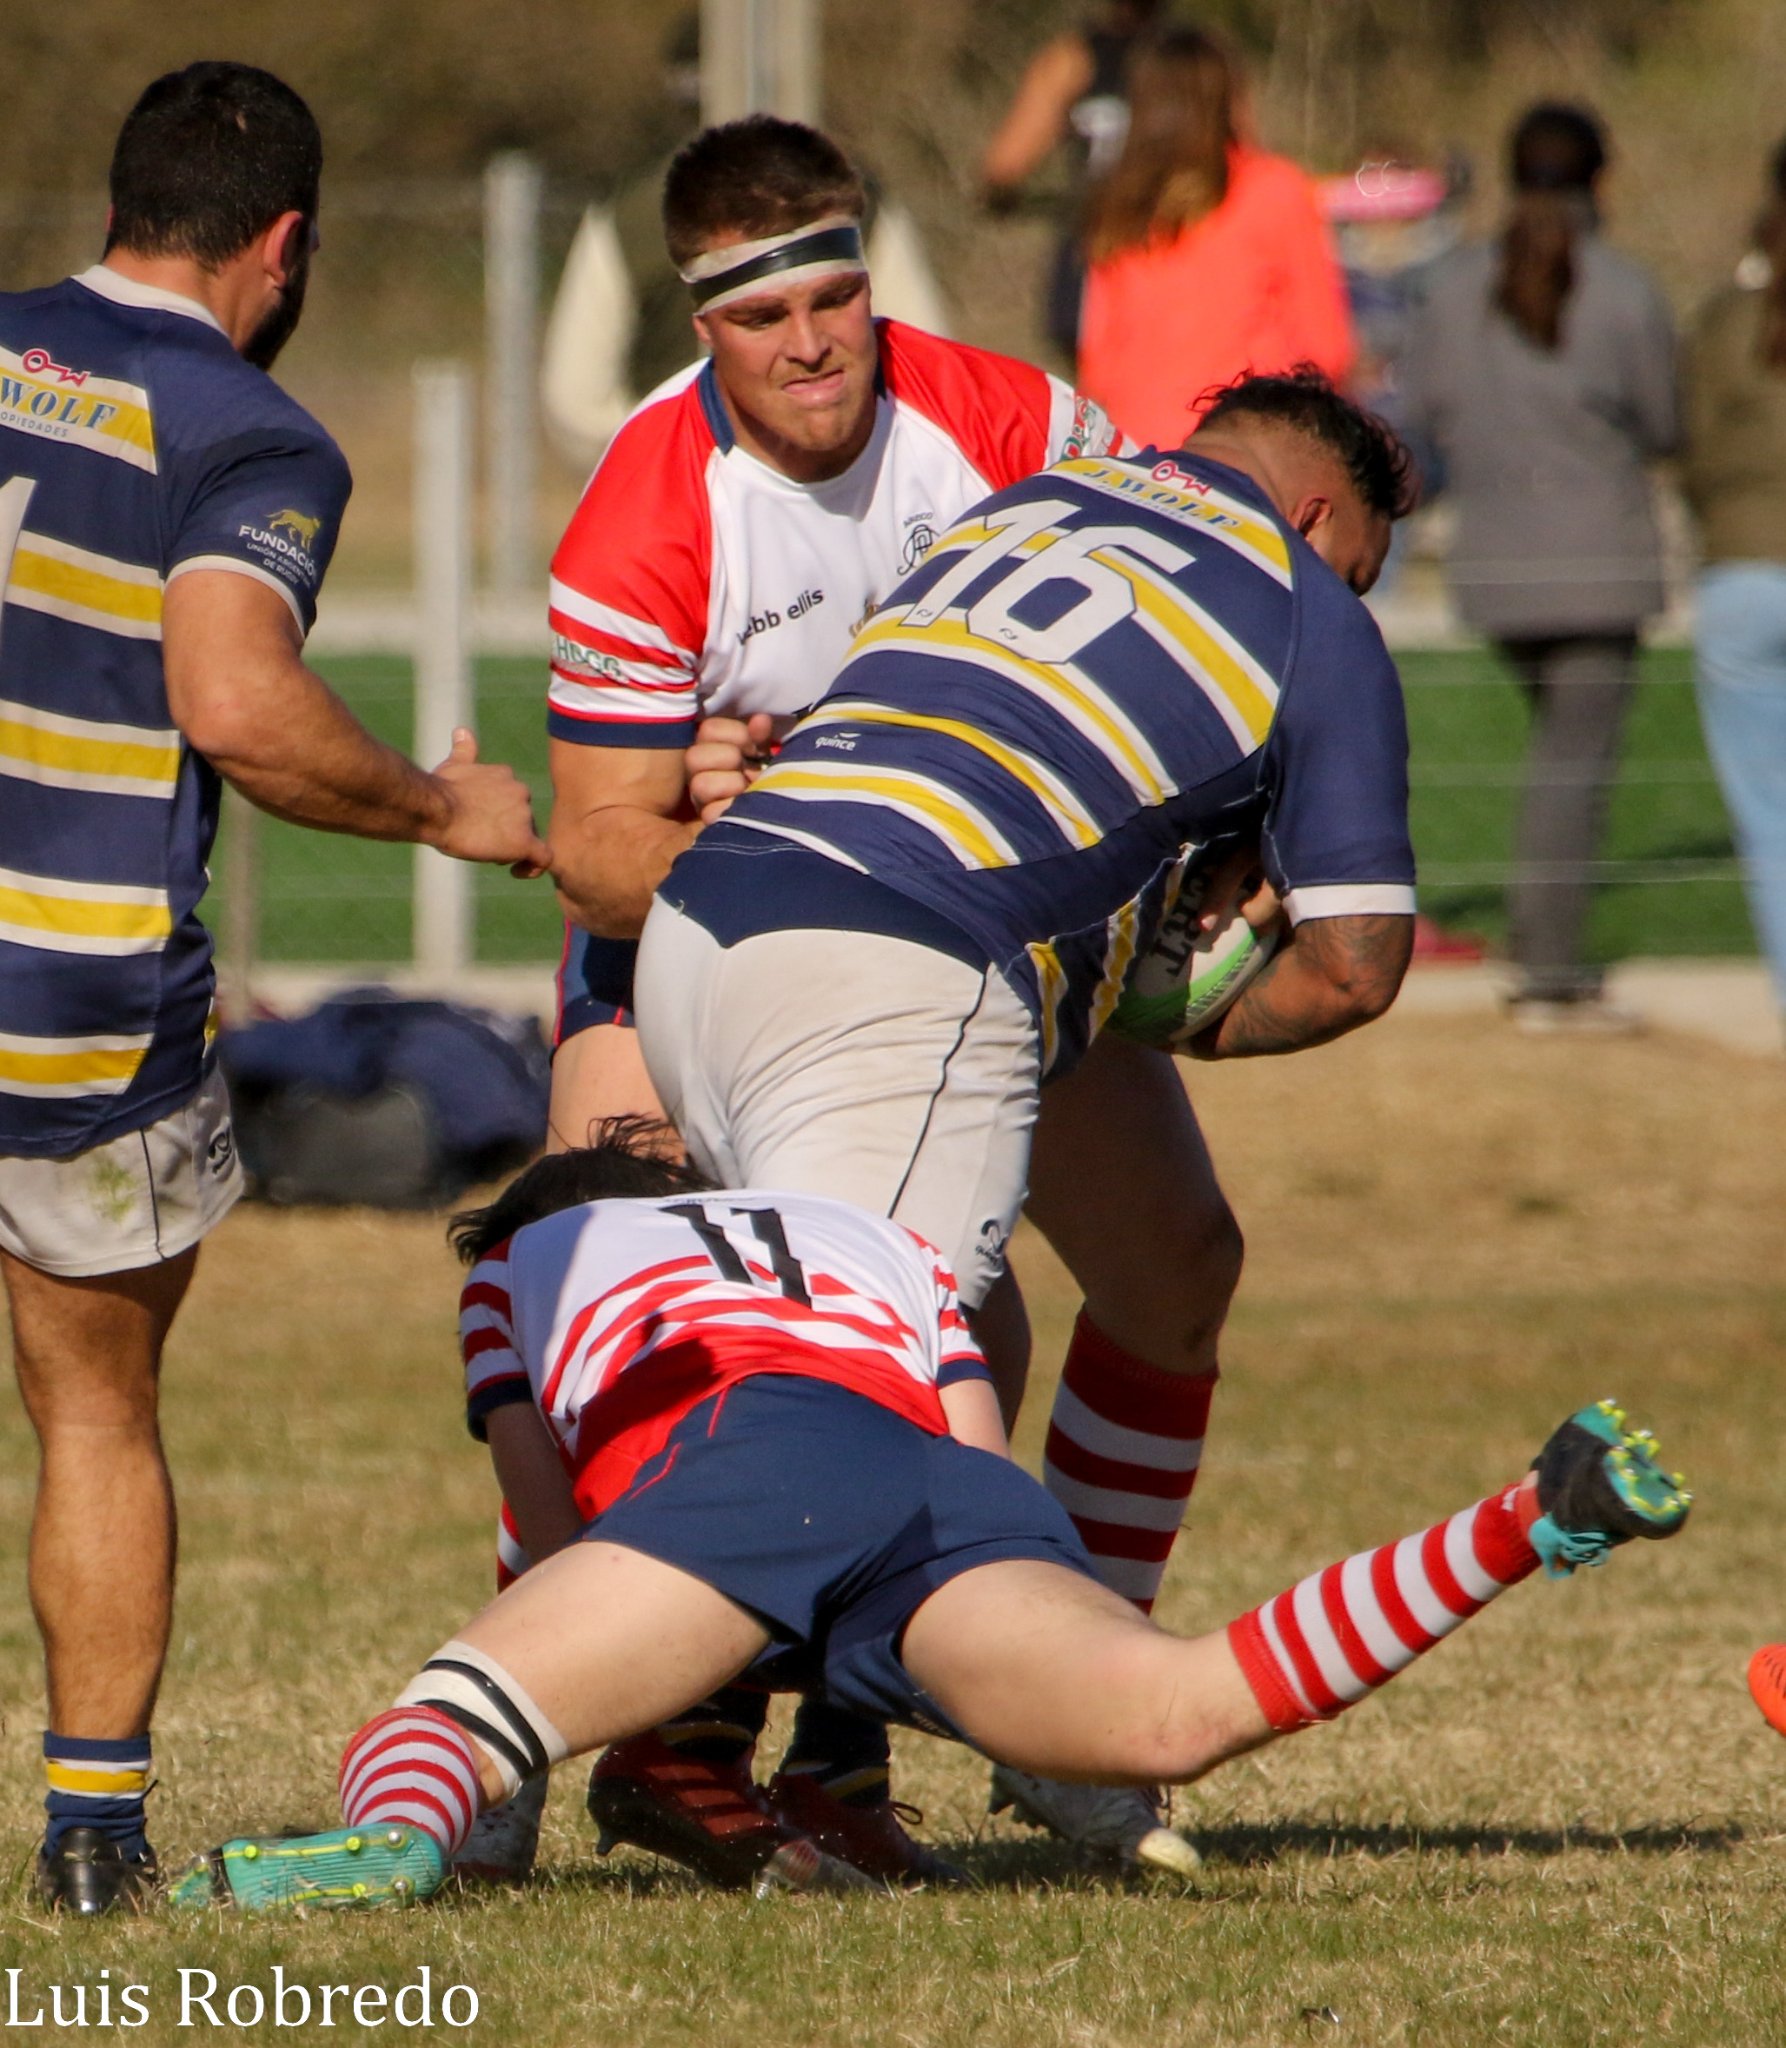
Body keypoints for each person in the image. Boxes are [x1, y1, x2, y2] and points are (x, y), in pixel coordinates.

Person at [168, 1127, 1694, 1914]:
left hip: (735, 1458)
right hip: (946, 1489)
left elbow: (546, 1516)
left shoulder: (528, 1263)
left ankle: (393, 1835)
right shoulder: (874, 1240)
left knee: (457, 1708)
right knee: (1174, 1707)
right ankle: (1522, 1518)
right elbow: (975, 1457)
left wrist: (564, 1704)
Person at [635, 367, 1420, 1852]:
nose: (1353, 593)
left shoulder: (1019, 509)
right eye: (1361, 568)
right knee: (872, 1402)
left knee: (1167, 1263)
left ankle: (1046, 1708)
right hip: (910, 962)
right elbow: (1354, 964)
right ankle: (681, 1738)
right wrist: (1173, 1004)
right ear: (1319, 517)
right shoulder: (1305, 600)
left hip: (718, 923)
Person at [533, 110, 1140, 1889]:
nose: (808, 341)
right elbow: (594, 855)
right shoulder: (650, 505)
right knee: (597, 1312)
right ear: (695, 324)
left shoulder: (1018, 425)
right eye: (755, 314)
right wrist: (758, 817)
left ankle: (1003, 1708)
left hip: (985, 938)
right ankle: (579, 1729)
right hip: (686, 959)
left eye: (833, 293)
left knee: (1159, 1269)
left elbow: (1174, 605)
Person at [0, 62, 548, 1916]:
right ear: (287, 246)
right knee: (91, 1413)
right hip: (69, 996)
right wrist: (442, 805)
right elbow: (235, 702)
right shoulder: (250, 434)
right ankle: (88, 1837)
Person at [1402, 102, 1678, 1029]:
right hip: (1599, 562)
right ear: (1601, 176)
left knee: (1559, 760)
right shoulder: (1625, 290)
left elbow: (1424, 414)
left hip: (1492, 562)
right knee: (1574, 765)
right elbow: (1665, 422)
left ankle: (1546, 952)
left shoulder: (1448, 290)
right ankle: (1549, 974)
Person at [540, 18, 949, 474]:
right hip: (823, 477)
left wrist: (663, 467)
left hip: (707, 482)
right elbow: (926, 361)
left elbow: (577, 405)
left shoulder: (627, 212)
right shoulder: (855, 200)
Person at [1073, 27, 1354, 447]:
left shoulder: (1119, 205)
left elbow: (1097, 366)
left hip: (1138, 456)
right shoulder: (1275, 189)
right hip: (1247, 452)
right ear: (1229, 98)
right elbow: (1327, 350)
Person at [1680, 136, 1786, 1034]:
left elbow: (1695, 453)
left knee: (1770, 813)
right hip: (1748, 567)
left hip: (1744, 574)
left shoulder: (1725, 322)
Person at [979, 0, 1169, 361]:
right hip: (1172, 250)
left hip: (1096, 256)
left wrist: (999, 196)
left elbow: (1005, 165)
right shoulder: (1198, 62)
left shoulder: (1073, 58)